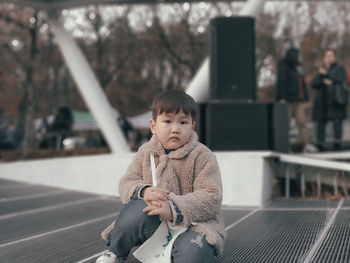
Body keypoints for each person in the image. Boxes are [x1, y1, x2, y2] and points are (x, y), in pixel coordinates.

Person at [96, 90, 225, 263]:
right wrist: (144, 191)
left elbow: (211, 197)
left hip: (192, 227)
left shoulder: (202, 156)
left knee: (194, 252)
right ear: (153, 126)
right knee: (135, 209)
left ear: (192, 126)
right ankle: (116, 252)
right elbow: (127, 182)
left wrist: (174, 208)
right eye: (167, 121)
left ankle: (175, 254)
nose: (175, 129)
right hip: (154, 224)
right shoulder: (146, 152)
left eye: (183, 122)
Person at [276, 48, 315, 152]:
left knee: (302, 122)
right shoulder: (284, 67)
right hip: (288, 100)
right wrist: (282, 98)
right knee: (285, 123)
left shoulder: (298, 68)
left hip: (298, 100)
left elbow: (302, 83)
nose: (300, 57)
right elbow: (281, 83)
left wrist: (305, 97)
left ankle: (306, 144)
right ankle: (283, 145)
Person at [311, 49, 347, 151]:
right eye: (327, 56)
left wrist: (327, 74)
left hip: (335, 99)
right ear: (324, 58)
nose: (329, 58)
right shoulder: (320, 70)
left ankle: (337, 143)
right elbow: (314, 84)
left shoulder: (339, 68)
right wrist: (323, 79)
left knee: (337, 122)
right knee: (321, 123)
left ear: (334, 57)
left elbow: (340, 79)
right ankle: (320, 143)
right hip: (322, 101)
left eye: (331, 56)